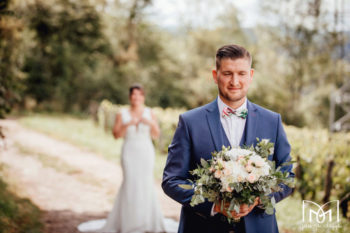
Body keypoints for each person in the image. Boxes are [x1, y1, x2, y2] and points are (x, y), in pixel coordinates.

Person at [162, 44, 294, 233]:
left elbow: (287, 176)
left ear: (251, 75)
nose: (235, 81)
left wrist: (258, 199)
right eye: (227, 73)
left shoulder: (272, 121)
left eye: (241, 73)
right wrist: (214, 205)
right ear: (215, 76)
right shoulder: (190, 122)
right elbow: (172, 180)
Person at [78, 84, 177, 233]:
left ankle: (147, 220)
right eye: (133, 95)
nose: (136, 97)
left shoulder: (150, 113)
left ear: (143, 97)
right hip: (129, 151)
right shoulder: (122, 113)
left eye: (139, 95)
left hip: (145, 151)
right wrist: (127, 124)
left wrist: (149, 123)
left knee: (145, 183)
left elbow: (156, 134)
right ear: (130, 97)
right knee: (130, 183)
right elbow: (116, 135)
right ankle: (129, 222)